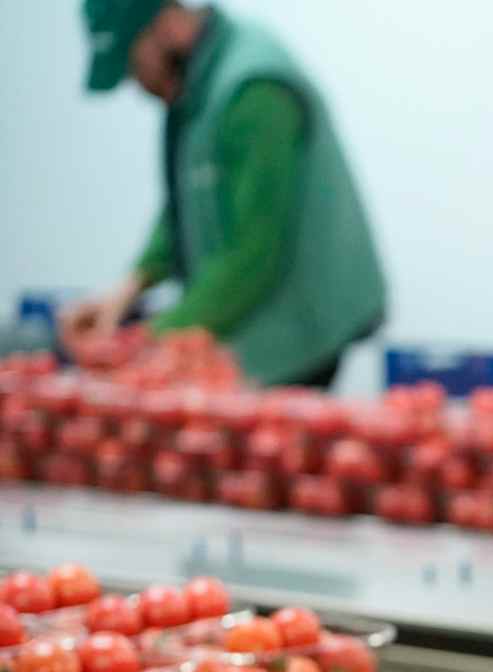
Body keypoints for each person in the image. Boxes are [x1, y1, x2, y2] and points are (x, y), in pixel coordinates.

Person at [61, 0, 386, 389]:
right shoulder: (199, 85)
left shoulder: (252, 90)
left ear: (165, 25)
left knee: (267, 440)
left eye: (133, 64)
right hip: (253, 300)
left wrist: (144, 341)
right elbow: (189, 200)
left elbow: (254, 253)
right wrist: (126, 291)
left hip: (301, 319)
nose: (137, 83)